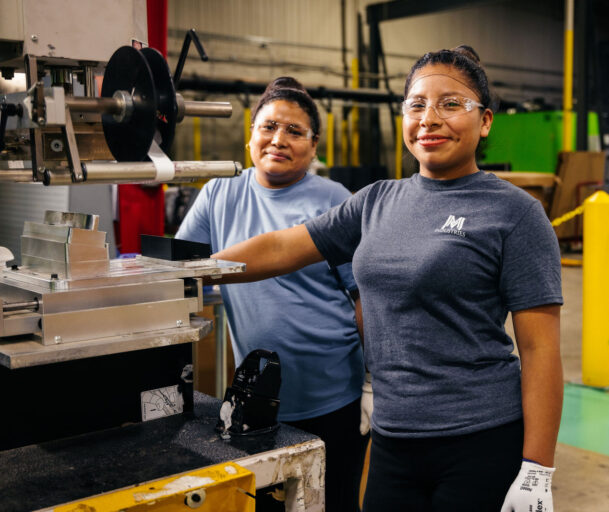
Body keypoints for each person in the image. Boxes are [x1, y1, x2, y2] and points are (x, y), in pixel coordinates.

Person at [210, 46, 564, 512]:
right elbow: (280, 247)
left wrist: (537, 469)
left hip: (478, 438)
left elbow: (540, 351)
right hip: (393, 439)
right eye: (416, 104)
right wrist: (192, 272)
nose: (429, 118)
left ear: (485, 121)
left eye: (451, 104)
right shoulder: (377, 201)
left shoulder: (514, 213)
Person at [176, 77, 368, 512]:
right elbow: (182, 276)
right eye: (268, 127)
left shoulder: (335, 201)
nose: (278, 140)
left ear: (314, 146)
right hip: (257, 401)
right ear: (250, 137)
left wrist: (375, 381)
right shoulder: (219, 193)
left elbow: (365, 298)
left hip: (333, 397)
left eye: (294, 131)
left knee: (333, 503)